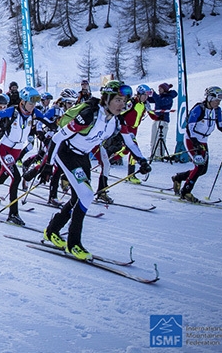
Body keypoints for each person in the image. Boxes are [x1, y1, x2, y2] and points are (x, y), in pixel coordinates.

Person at [42, 81, 151, 260]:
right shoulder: (88, 115)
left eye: (124, 101)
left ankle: (52, 230)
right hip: (67, 153)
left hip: (83, 156)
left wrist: (141, 160)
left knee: (79, 197)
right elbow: (57, 137)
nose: (121, 104)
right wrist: (48, 164)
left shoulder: (117, 119)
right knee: (86, 195)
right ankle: (73, 244)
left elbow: (129, 141)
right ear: (106, 99)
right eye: (117, 100)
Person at [0, 86, 54, 226]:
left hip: (17, 150)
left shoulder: (34, 112)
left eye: (34, 103)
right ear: (23, 101)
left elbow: (49, 123)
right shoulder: (12, 110)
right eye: (30, 103)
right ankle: (13, 214)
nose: (32, 106)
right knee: (16, 178)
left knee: (2, 177)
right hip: (5, 148)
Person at [171, 86, 222, 203]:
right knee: (199, 166)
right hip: (191, 140)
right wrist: (194, 141)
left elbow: (220, 126)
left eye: (219, 101)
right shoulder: (199, 109)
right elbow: (189, 127)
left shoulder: (217, 110)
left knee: (203, 170)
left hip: (203, 141)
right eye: (216, 100)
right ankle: (185, 192)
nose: (218, 103)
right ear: (209, 98)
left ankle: (178, 177)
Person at [149, 83, 178, 159]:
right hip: (156, 119)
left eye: (160, 89)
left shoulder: (169, 98)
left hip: (163, 120)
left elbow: (160, 102)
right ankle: (153, 154)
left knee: (160, 138)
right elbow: (152, 99)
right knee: (153, 138)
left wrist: (154, 94)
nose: (159, 90)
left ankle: (159, 155)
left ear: (164, 89)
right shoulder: (160, 97)